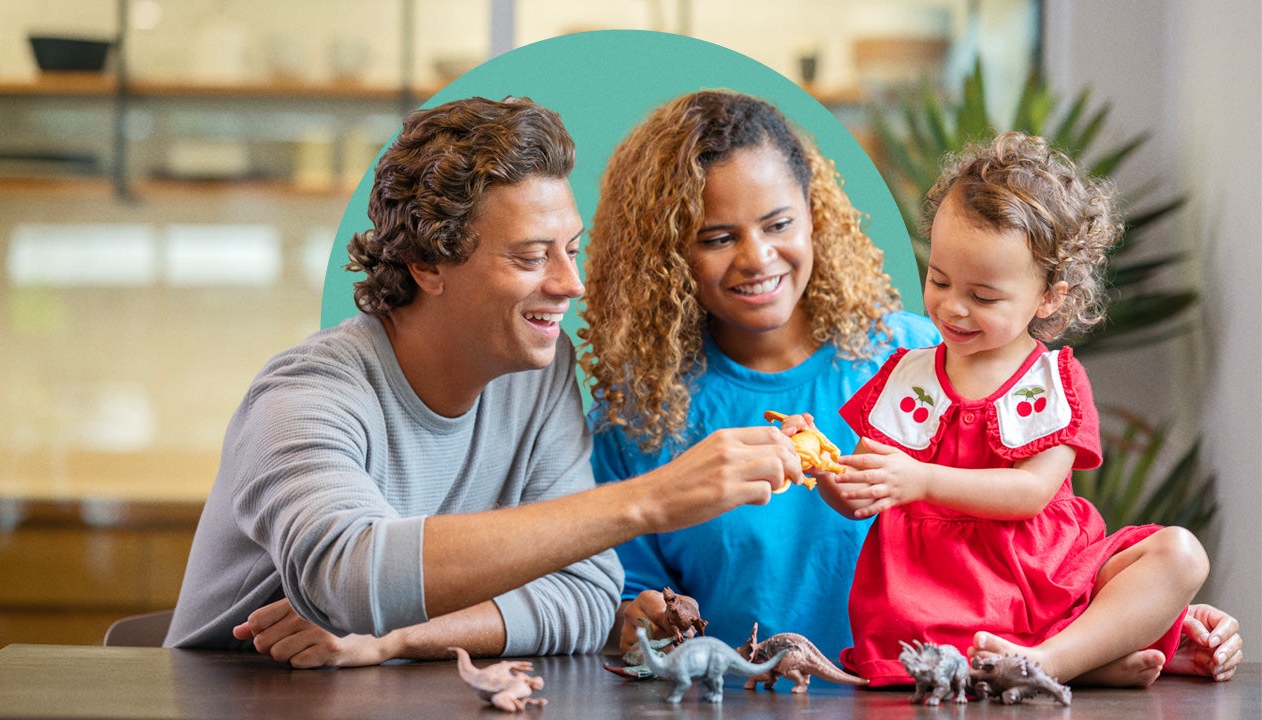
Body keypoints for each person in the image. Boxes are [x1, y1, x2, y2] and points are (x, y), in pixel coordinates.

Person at [164, 96, 807, 666]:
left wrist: (394, 640)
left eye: (571, 249)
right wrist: (649, 501)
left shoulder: (540, 374)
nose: (569, 284)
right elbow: (348, 579)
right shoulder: (306, 395)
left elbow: (584, 599)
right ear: (426, 264)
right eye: (530, 257)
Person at [806, 131, 1242, 687]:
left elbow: (1029, 494)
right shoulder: (907, 376)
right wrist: (823, 467)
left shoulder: (1053, 382)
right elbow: (862, 494)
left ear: (1049, 297)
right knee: (950, 661)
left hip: (1054, 582)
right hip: (937, 600)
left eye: (984, 297)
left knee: (1181, 553)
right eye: (938, 280)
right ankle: (1077, 665)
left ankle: (1055, 659)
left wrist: (920, 480)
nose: (953, 307)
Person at [577, 89, 940, 661]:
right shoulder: (636, 418)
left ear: (814, 217)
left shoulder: (922, 362)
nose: (756, 257)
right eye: (718, 238)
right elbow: (622, 601)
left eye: (778, 224)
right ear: (667, 255)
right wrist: (636, 621)